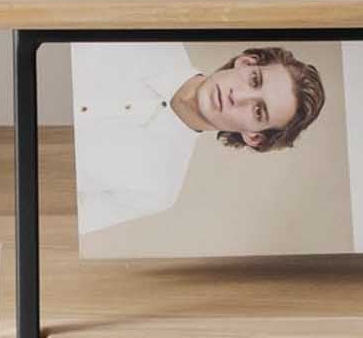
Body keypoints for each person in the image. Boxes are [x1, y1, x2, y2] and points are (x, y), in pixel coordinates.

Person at [73, 43, 327, 233]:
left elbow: (51, 218)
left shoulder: (158, 190)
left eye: (258, 110)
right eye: (254, 80)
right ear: (246, 62)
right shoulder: (149, 36)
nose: (237, 97)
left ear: (254, 137)